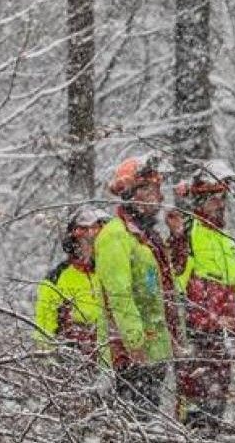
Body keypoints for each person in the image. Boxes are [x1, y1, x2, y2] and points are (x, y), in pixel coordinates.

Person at [95, 153, 183, 413]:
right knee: (131, 422)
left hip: (154, 350)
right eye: (146, 189)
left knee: (147, 420)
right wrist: (135, 344)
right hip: (129, 355)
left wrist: (178, 236)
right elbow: (119, 295)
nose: (154, 197)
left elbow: (168, 283)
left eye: (156, 189)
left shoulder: (148, 237)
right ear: (128, 193)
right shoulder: (115, 235)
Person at [171, 160, 235, 431]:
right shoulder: (188, 232)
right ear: (199, 199)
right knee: (192, 412)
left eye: (222, 197)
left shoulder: (227, 241)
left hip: (221, 339)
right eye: (213, 197)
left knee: (216, 410)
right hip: (195, 335)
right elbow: (176, 279)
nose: (219, 203)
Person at [33, 206, 111, 357]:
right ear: (73, 239)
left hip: (113, 358)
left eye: (96, 234)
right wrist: (49, 363)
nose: (90, 240)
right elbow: (44, 325)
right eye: (83, 233)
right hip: (72, 359)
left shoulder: (114, 273)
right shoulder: (56, 278)